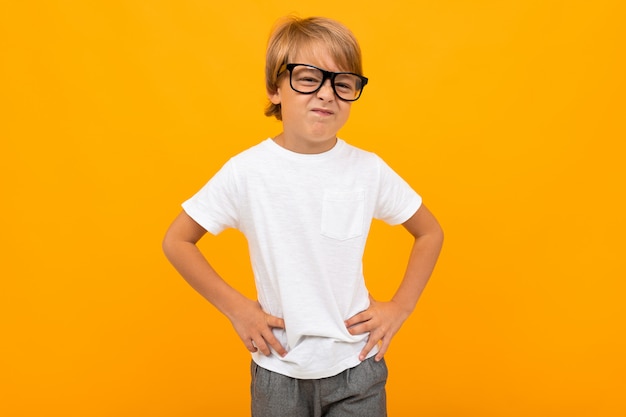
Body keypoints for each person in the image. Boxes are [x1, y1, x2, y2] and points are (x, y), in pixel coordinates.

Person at [162, 15, 443, 417]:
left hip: (357, 368)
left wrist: (401, 306)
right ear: (275, 88)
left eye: (343, 83)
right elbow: (177, 240)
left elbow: (429, 232)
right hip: (278, 369)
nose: (327, 94)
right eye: (309, 78)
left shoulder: (368, 169)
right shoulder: (248, 172)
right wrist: (238, 309)